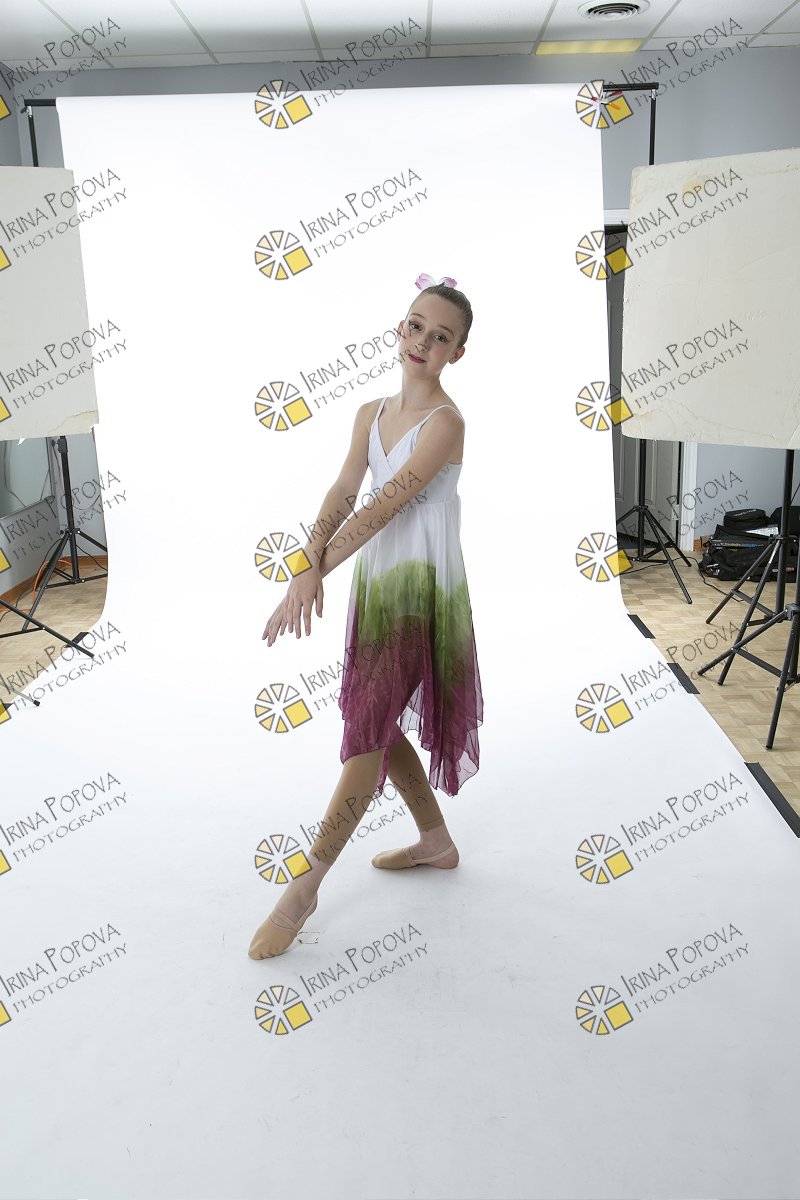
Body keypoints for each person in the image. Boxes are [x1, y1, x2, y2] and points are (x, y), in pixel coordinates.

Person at [249, 273, 484, 959]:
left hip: (422, 591)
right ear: (399, 329)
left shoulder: (447, 424)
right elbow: (345, 488)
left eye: (440, 336)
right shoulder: (369, 413)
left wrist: (313, 573)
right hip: (379, 586)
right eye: (416, 326)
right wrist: (305, 562)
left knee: (363, 735)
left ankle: (305, 886)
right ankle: (435, 841)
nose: (422, 342)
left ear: (456, 353)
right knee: (374, 721)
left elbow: (385, 506)